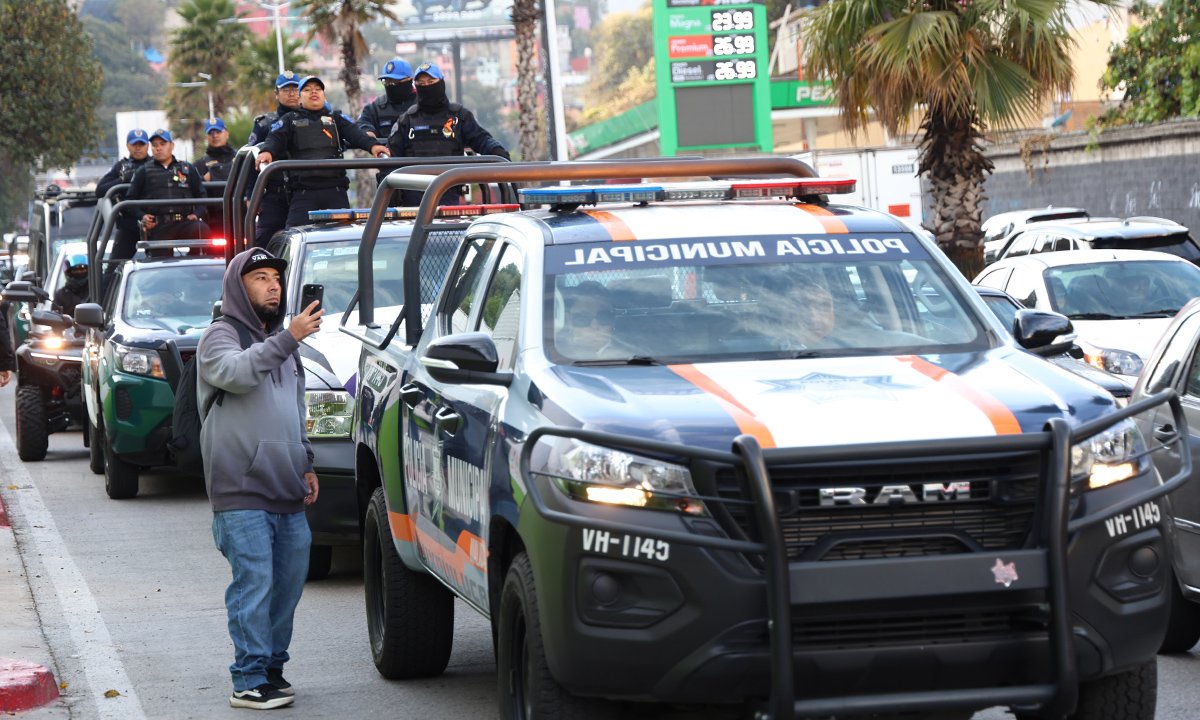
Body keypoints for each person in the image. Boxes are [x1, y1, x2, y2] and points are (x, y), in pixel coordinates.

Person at [197, 246, 322, 710]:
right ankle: (247, 679)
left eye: (276, 278)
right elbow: (235, 374)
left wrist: (306, 461)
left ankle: (271, 669)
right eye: (260, 278)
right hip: (240, 487)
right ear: (238, 286)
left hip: (287, 485)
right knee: (254, 584)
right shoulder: (220, 335)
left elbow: (295, 406)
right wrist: (289, 338)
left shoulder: (283, 344)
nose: (273, 286)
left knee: (287, 587)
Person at [257, 75, 389, 228]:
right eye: (307, 90)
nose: (314, 92)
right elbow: (274, 138)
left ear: (324, 95)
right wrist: (267, 152)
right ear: (299, 98)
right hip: (303, 193)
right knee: (294, 233)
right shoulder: (288, 120)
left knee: (343, 235)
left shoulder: (336, 118)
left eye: (318, 89)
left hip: (335, 190)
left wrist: (374, 146)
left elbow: (357, 134)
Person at [386, 62, 510, 206]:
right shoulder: (407, 119)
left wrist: (498, 152)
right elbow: (391, 155)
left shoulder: (459, 116)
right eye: (421, 83)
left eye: (431, 82)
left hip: (449, 193)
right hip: (412, 198)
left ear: (441, 83)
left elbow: (482, 140)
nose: (426, 86)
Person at [247, 72, 303, 248]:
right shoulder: (264, 124)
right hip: (275, 194)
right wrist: (251, 196)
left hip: (306, 192)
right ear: (276, 94)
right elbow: (251, 162)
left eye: (295, 89)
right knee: (262, 243)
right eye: (286, 90)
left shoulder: (314, 120)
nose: (292, 94)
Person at [128, 129, 209, 241]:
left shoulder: (187, 168)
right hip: (158, 225)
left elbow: (202, 195)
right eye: (155, 145)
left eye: (163, 144)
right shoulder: (143, 171)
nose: (158, 148)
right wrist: (143, 216)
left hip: (185, 222)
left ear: (172, 145)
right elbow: (130, 200)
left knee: (203, 230)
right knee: (158, 250)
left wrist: (196, 214)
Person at [96, 128, 153, 262]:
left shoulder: (156, 165)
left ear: (147, 146)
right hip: (129, 224)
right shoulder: (121, 167)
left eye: (141, 144)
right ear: (128, 146)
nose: (138, 148)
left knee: (163, 263)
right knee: (114, 266)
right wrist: (122, 180)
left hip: (153, 222)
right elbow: (100, 191)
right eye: (134, 144)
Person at [556, 281, 629, 358]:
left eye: (603, 317)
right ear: (568, 320)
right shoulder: (555, 354)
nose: (595, 326)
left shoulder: (628, 356)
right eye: (583, 319)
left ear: (613, 320)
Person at [357, 58, 415, 140]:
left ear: (410, 80)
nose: (390, 85)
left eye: (395, 82)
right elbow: (362, 123)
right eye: (387, 82)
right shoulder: (377, 107)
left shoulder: (422, 103)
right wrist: (368, 133)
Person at [198, 117, 235, 241]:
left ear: (226, 134)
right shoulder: (200, 164)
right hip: (213, 218)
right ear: (206, 137)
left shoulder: (241, 158)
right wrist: (203, 180)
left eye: (218, 132)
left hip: (240, 213)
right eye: (211, 133)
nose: (215, 136)